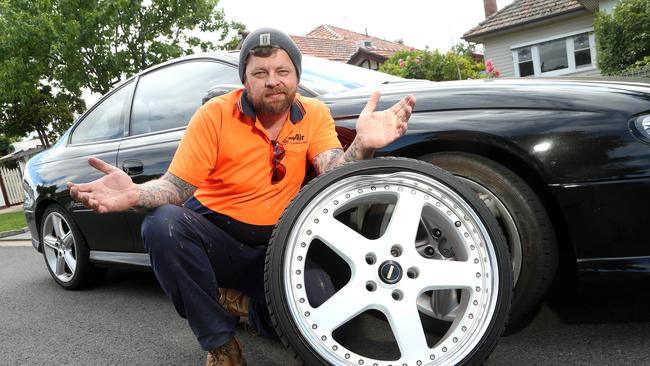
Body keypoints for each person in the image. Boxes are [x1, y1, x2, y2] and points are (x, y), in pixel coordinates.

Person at [68, 27, 416, 366]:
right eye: (260, 72)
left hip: (280, 246)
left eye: (282, 70)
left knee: (326, 322)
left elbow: (332, 172)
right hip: (219, 239)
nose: (272, 80)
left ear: (296, 74)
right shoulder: (214, 115)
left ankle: (244, 306)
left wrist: (362, 144)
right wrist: (135, 194)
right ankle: (220, 343)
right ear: (244, 79)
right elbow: (176, 188)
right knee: (162, 225)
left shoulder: (314, 114)